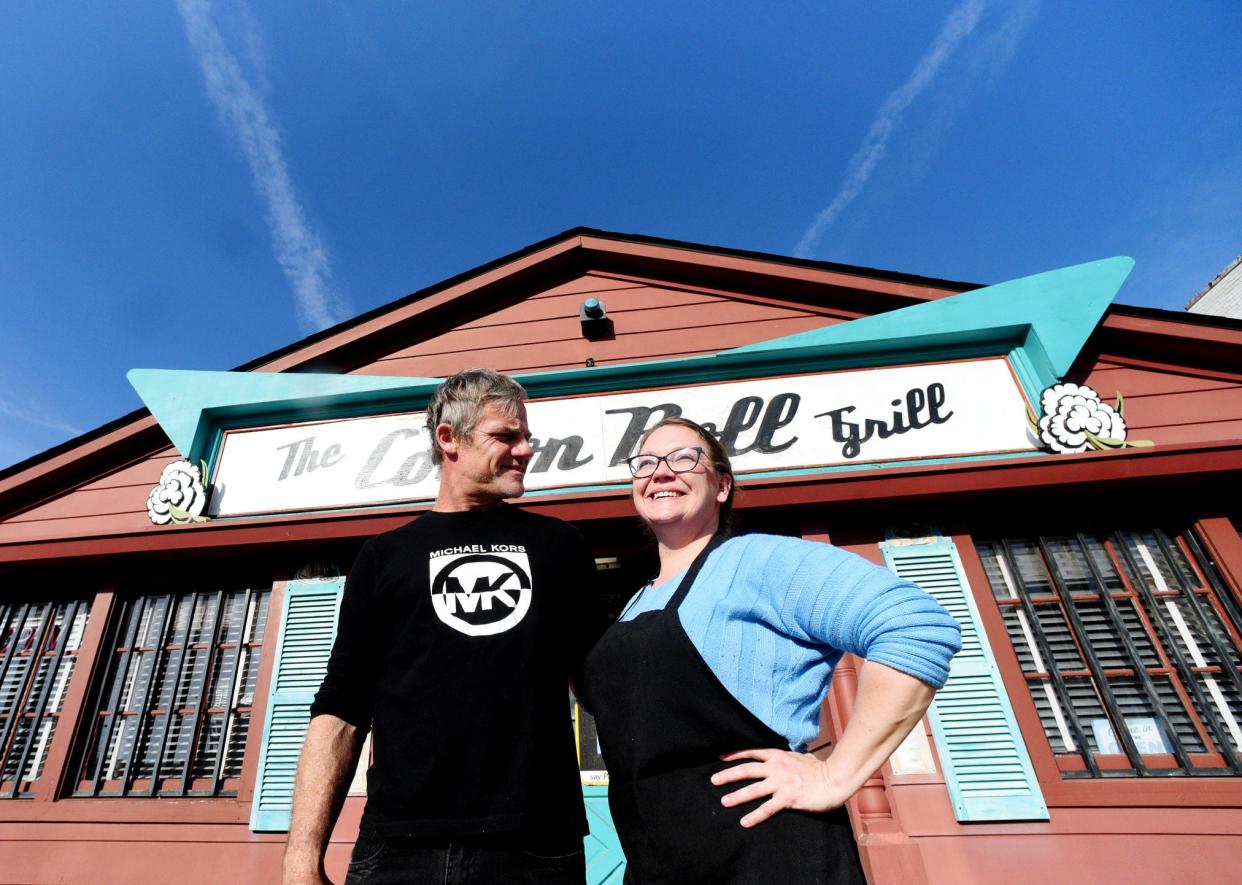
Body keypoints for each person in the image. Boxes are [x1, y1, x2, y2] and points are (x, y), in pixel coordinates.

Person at [580, 417, 962, 884]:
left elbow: (917, 625)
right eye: (645, 463)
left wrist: (834, 776)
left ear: (722, 486)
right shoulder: (636, 603)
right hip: (657, 862)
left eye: (684, 458)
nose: (661, 472)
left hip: (767, 856)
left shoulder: (760, 560)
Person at [283, 368, 603, 885]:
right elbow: (341, 708)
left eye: (527, 438)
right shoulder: (384, 556)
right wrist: (301, 857)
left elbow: (606, 689)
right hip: (399, 849)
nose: (525, 450)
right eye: (506, 436)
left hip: (535, 846)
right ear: (448, 438)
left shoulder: (561, 546)